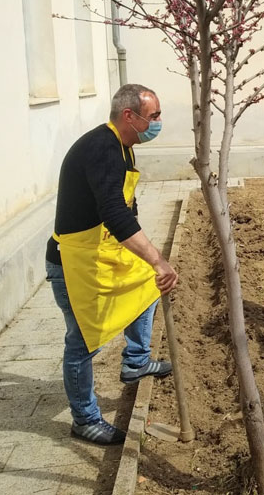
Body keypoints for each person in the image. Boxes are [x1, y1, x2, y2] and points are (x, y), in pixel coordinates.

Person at [46, 84, 179, 445]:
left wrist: (148, 260)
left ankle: (135, 360)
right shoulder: (103, 149)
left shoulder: (123, 147)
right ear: (129, 116)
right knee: (83, 341)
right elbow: (114, 211)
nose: (158, 122)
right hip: (74, 261)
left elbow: (126, 207)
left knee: (147, 283)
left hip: (99, 251)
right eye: (153, 116)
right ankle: (84, 419)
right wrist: (157, 258)